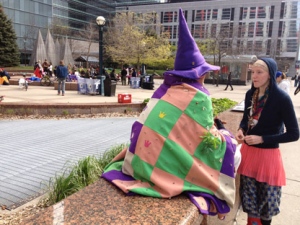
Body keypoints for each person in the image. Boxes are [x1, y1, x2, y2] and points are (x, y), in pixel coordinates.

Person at [102, 8, 240, 220]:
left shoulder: (163, 93)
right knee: (232, 150)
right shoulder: (199, 97)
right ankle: (219, 197)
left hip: (140, 162)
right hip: (164, 169)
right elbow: (207, 139)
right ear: (199, 75)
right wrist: (225, 136)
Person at [235, 58, 299, 225]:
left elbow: (294, 134)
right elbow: (245, 120)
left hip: (268, 158)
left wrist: (263, 139)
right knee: (250, 201)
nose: (254, 76)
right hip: (248, 154)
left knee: (267, 203)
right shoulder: (250, 94)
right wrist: (241, 130)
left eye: (259, 72)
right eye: (252, 72)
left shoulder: (281, 99)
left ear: (270, 74)